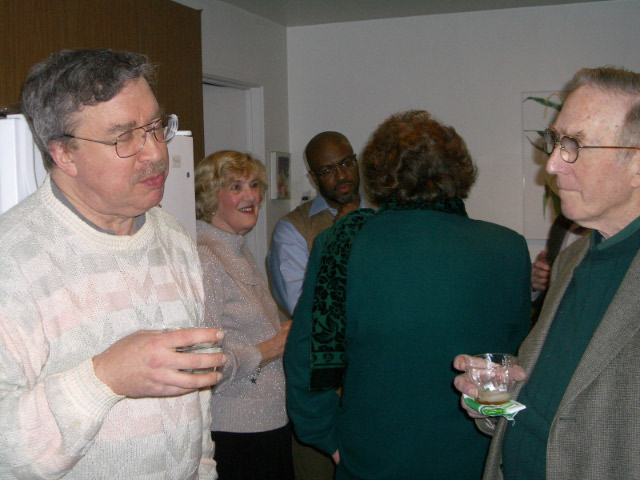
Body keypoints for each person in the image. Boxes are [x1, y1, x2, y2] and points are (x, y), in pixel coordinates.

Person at [0, 49, 225, 479]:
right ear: (64, 155)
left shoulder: (173, 236)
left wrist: (203, 469)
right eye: (124, 138)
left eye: (155, 127)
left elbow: (194, 401)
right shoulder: (11, 262)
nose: (155, 153)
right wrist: (105, 377)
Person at [285, 110, 531, 479]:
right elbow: (514, 365)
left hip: (372, 458)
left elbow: (309, 360)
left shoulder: (343, 244)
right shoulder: (508, 248)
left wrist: (327, 438)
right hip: (476, 456)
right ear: (457, 171)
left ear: (380, 175)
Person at [454, 66, 640, 480]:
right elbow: (554, 411)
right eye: (556, 141)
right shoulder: (572, 259)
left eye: (575, 145)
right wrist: (496, 400)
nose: (552, 164)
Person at [194, 151, 295, 480]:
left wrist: (282, 333)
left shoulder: (236, 249)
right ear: (210, 198)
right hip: (237, 432)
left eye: (254, 185)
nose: (251, 196)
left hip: (268, 422)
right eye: (236, 187)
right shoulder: (207, 258)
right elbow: (204, 364)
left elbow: (244, 330)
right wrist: (270, 348)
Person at [267, 131, 370, 317]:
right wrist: (340, 234)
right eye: (328, 171)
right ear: (314, 178)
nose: (341, 176)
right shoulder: (293, 228)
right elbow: (302, 307)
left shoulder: (383, 212)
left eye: (346, 163)